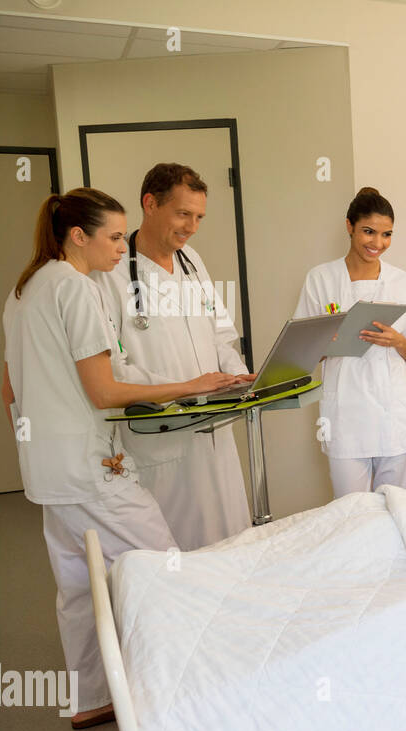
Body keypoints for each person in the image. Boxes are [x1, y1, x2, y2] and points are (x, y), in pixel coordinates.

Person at [1, 189, 243, 729]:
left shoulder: (23, 291)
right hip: (91, 468)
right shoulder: (76, 289)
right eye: (113, 236)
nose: (119, 248)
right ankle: (181, 695)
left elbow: (8, 390)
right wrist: (192, 385)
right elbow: (105, 392)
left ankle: (90, 698)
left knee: (79, 585)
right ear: (78, 237)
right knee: (165, 566)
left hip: (47, 471)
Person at [91, 163, 254, 550]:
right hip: (162, 438)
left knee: (230, 547)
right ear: (150, 204)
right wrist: (182, 390)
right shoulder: (110, 274)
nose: (192, 226)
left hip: (213, 430)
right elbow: (113, 369)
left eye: (199, 216)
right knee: (173, 557)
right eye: (183, 214)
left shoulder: (192, 261)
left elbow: (220, 336)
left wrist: (241, 378)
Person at [292, 187, 406, 497]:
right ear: (349, 226)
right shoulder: (320, 278)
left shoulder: (403, 282)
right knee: (351, 515)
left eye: (387, 235)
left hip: (397, 416)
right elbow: (302, 354)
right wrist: (330, 340)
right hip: (346, 417)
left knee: (401, 511)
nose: (378, 243)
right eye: (369, 232)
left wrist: (397, 341)